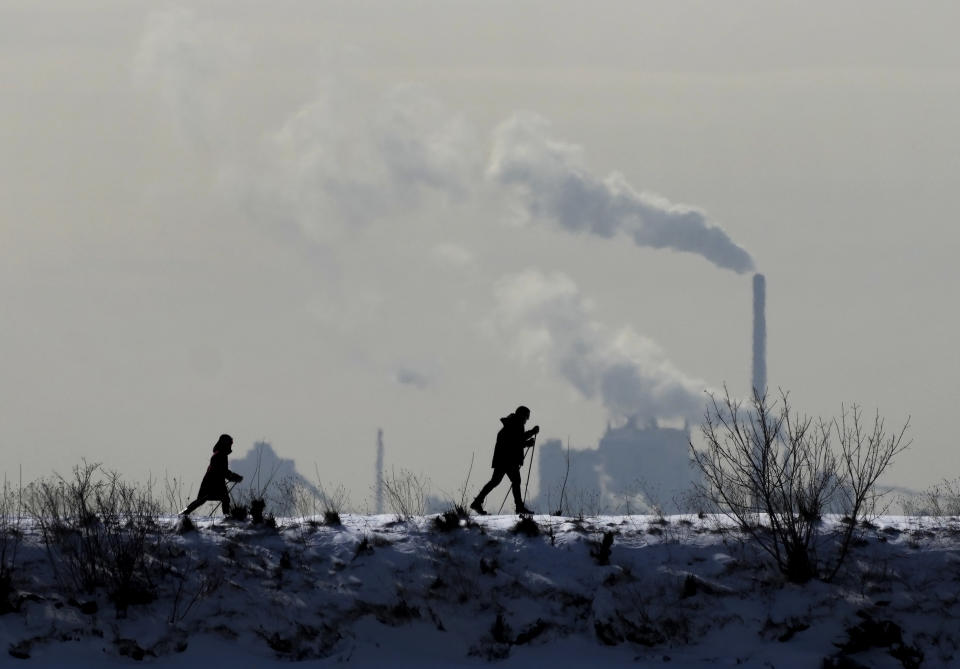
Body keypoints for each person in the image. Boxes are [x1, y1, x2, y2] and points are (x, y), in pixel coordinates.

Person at [470, 406, 539, 515]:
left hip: (502, 459)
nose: (527, 420)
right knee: (515, 481)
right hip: (508, 459)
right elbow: (517, 441)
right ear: (522, 415)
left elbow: (515, 440)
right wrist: (531, 434)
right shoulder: (516, 424)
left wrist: (527, 442)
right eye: (526, 417)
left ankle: (477, 502)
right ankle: (519, 507)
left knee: (496, 481)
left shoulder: (512, 423)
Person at [180, 434, 243, 516]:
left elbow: (223, 471)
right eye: (230, 443)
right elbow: (223, 471)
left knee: (220, 499)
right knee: (206, 500)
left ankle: (183, 513)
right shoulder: (220, 455)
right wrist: (234, 477)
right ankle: (226, 517)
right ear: (225, 444)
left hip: (214, 481)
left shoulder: (220, 454)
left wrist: (233, 477)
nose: (230, 446)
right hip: (211, 482)